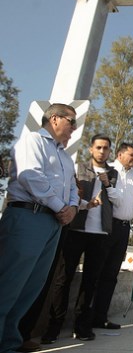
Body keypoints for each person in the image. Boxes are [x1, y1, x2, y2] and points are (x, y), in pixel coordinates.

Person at [0, 103, 79, 353]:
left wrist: (73, 208)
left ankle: (10, 342)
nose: (74, 128)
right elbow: (30, 175)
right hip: (27, 217)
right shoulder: (32, 141)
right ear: (54, 119)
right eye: (71, 121)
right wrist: (60, 206)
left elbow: (74, 189)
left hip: (53, 224)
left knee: (31, 287)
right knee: (10, 284)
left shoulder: (66, 157)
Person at [42, 134, 119, 342]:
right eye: (99, 147)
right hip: (75, 229)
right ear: (91, 149)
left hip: (100, 233)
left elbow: (117, 201)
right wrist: (87, 203)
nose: (103, 151)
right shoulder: (76, 167)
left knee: (90, 282)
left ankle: (83, 326)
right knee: (63, 279)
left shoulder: (113, 173)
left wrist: (108, 185)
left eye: (106, 148)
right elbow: (70, 194)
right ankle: (53, 326)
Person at [92, 142, 133, 330]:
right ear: (119, 154)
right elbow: (112, 198)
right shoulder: (109, 170)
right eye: (132, 155)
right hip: (107, 226)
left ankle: (101, 317)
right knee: (97, 272)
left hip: (124, 228)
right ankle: (87, 317)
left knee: (112, 275)